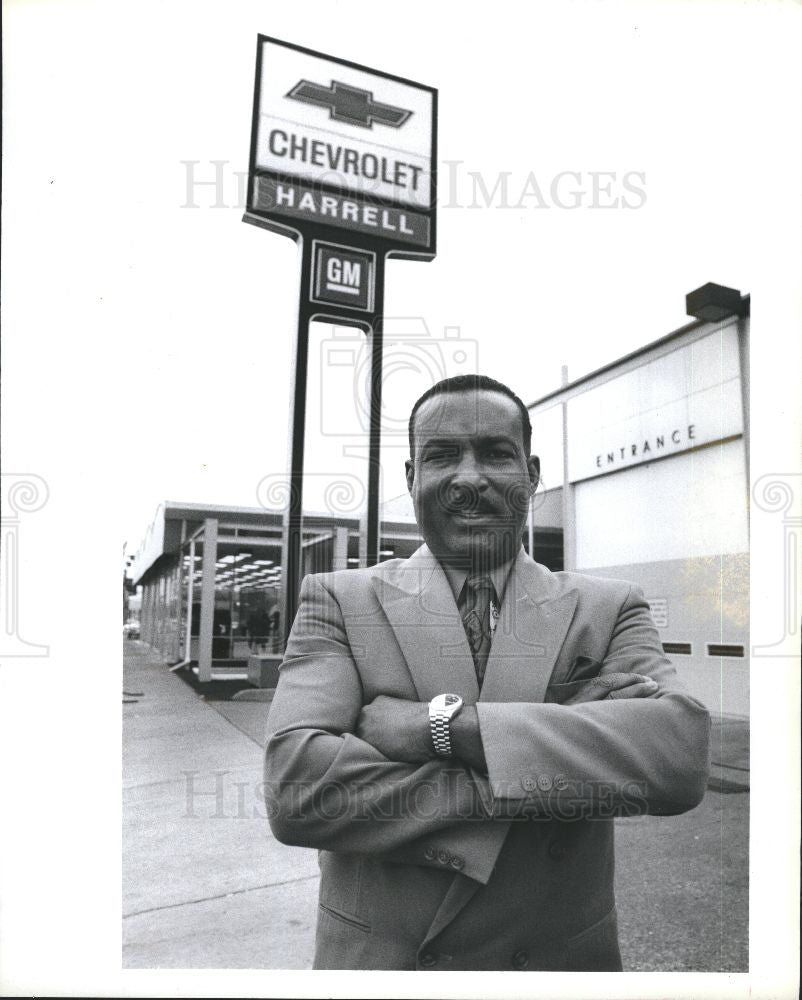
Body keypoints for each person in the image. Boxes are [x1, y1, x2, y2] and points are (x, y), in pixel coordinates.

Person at [264, 374, 711, 971]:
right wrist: (560, 748)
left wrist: (442, 729)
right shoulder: (339, 600)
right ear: (411, 477)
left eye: (496, 454)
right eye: (442, 455)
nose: (469, 478)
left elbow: (677, 760)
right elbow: (298, 793)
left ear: (531, 474)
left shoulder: (609, 608)